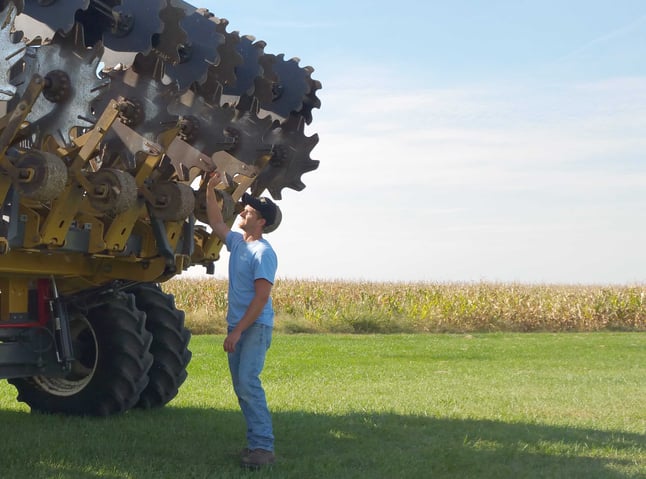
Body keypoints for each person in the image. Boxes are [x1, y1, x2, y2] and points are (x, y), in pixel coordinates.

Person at [206, 171, 279, 469]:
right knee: (242, 387)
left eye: (250, 210)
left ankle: (263, 448)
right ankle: (255, 444)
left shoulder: (263, 252)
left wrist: (236, 333)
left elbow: (261, 298)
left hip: (253, 328)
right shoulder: (237, 243)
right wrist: (209, 189)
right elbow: (215, 222)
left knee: (248, 383)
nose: (244, 210)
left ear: (261, 221)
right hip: (238, 327)